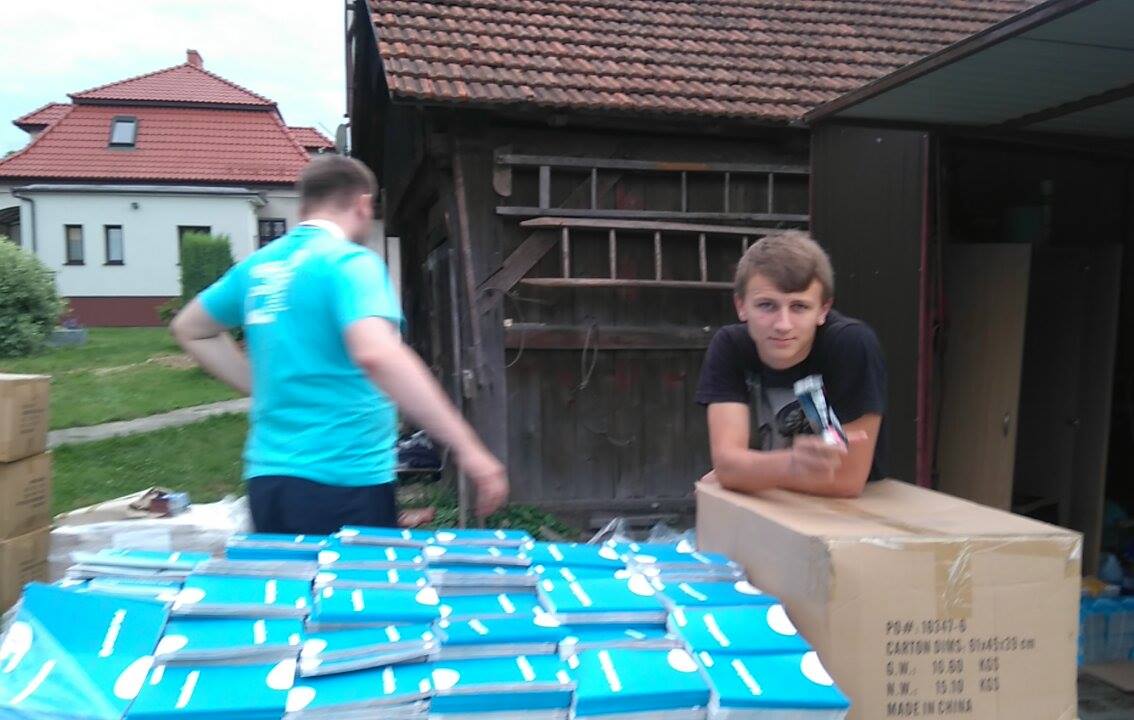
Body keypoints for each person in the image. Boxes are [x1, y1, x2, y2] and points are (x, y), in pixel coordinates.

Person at [171, 155, 508, 533]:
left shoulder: (259, 267)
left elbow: (190, 327)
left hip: (269, 481)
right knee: (354, 576)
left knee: (286, 574)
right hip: (344, 480)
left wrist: (262, 386)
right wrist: (469, 448)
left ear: (303, 207)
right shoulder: (350, 263)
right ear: (363, 204)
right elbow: (377, 353)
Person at [695, 231, 886, 498]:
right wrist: (789, 464)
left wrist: (747, 473)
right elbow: (728, 464)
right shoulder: (729, 346)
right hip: (774, 502)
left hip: (850, 511)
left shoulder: (851, 344)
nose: (783, 325)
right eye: (767, 305)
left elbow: (847, 479)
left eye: (799, 307)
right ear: (741, 306)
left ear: (823, 310)